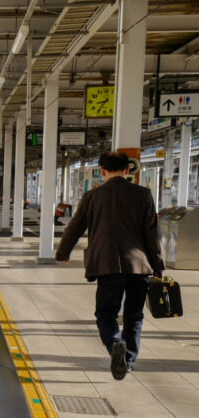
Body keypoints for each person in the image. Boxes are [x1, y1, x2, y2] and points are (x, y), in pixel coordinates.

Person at [55, 151, 164, 380]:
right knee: (134, 316)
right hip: (138, 266)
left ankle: (115, 343)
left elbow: (74, 227)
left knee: (106, 314)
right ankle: (128, 361)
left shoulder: (92, 196)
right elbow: (152, 234)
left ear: (102, 171)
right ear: (128, 170)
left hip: (107, 264)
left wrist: (62, 254)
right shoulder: (143, 195)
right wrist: (158, 265)